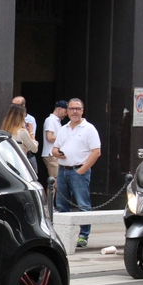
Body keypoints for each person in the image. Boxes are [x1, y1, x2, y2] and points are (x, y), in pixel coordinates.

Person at [52, 98, 101, 248]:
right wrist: (57, 153)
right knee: (62, 204)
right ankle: (64, 236)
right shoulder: (63, 128)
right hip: (63, 170)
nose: (74, 112)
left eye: (77, 109)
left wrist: (83, 169)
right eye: (72, 109)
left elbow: (96, 152)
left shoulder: (89, 128)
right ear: (66, 111)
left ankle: (83, 235)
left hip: (78, 170)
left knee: (83, 204)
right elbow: (54, 148)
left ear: (82, 111)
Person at [42, 100, 68, 182]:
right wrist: (64, 137)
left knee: (56, 181)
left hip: (55, 155)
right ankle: (50, 195)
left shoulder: (57, 121)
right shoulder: (50, 120)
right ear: (59, 109)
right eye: (65, 111)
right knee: (54, 182)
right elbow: (49, 138)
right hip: (51, 154)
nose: (66, 114)